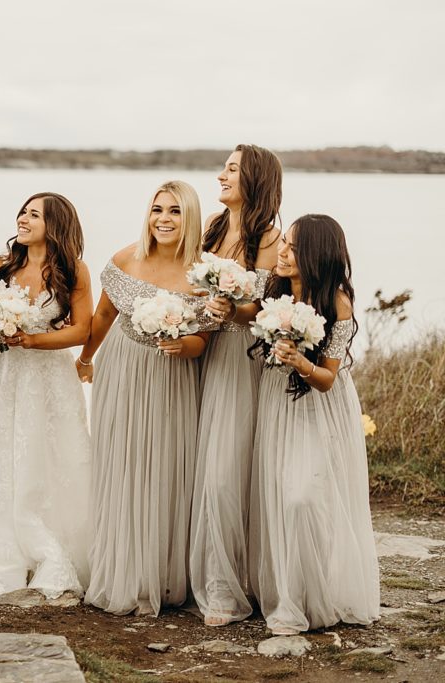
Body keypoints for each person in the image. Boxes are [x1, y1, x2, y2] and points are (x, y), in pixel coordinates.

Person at [77, 180, 215, 616]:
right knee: (120, 463)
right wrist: (85, 358)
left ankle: (164, 575)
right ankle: (120, 571)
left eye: (175, 211)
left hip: (173, 378)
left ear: (189, 218)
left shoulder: (204, 272)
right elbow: (102, 315)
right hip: (122, 367)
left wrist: (183, 344)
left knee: (167, 466)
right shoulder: (125, 259)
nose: (164, 219)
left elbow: (205, 341)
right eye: (157, 210)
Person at [0, 192, 93, 605]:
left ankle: (49, 548)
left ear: (56, 226)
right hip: (3, 374)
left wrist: (33, 339)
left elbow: (82, 330)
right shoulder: (0, 267)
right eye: (23, 211)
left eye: (35, 214)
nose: (23, 218)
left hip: (48, 377)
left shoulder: (73, 271)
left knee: (47, 456)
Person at [247, 214, 379, 635]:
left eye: (292, 247)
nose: (282, 253)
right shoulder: (275, 289)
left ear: (316, 254)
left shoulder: (337, 302)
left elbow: (326, 379)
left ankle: (323, 592)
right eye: (283, 244)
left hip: (321, 407)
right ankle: (290, 597)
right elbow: (245, 315)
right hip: (277, 402)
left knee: (307, 497)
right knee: (280, 495)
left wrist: (301, 361)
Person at [189, 144, 282, 626]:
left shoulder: (268, 236)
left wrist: (233, 306)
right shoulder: (212, 226)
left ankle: (227, 585)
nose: (220, 175)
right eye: (223, 167)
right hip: (199, 349)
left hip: (239, 361)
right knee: (198, 463)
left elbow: (263, 305)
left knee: (228, 470)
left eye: (231, 169)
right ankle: (199, 572)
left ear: (255, 179)